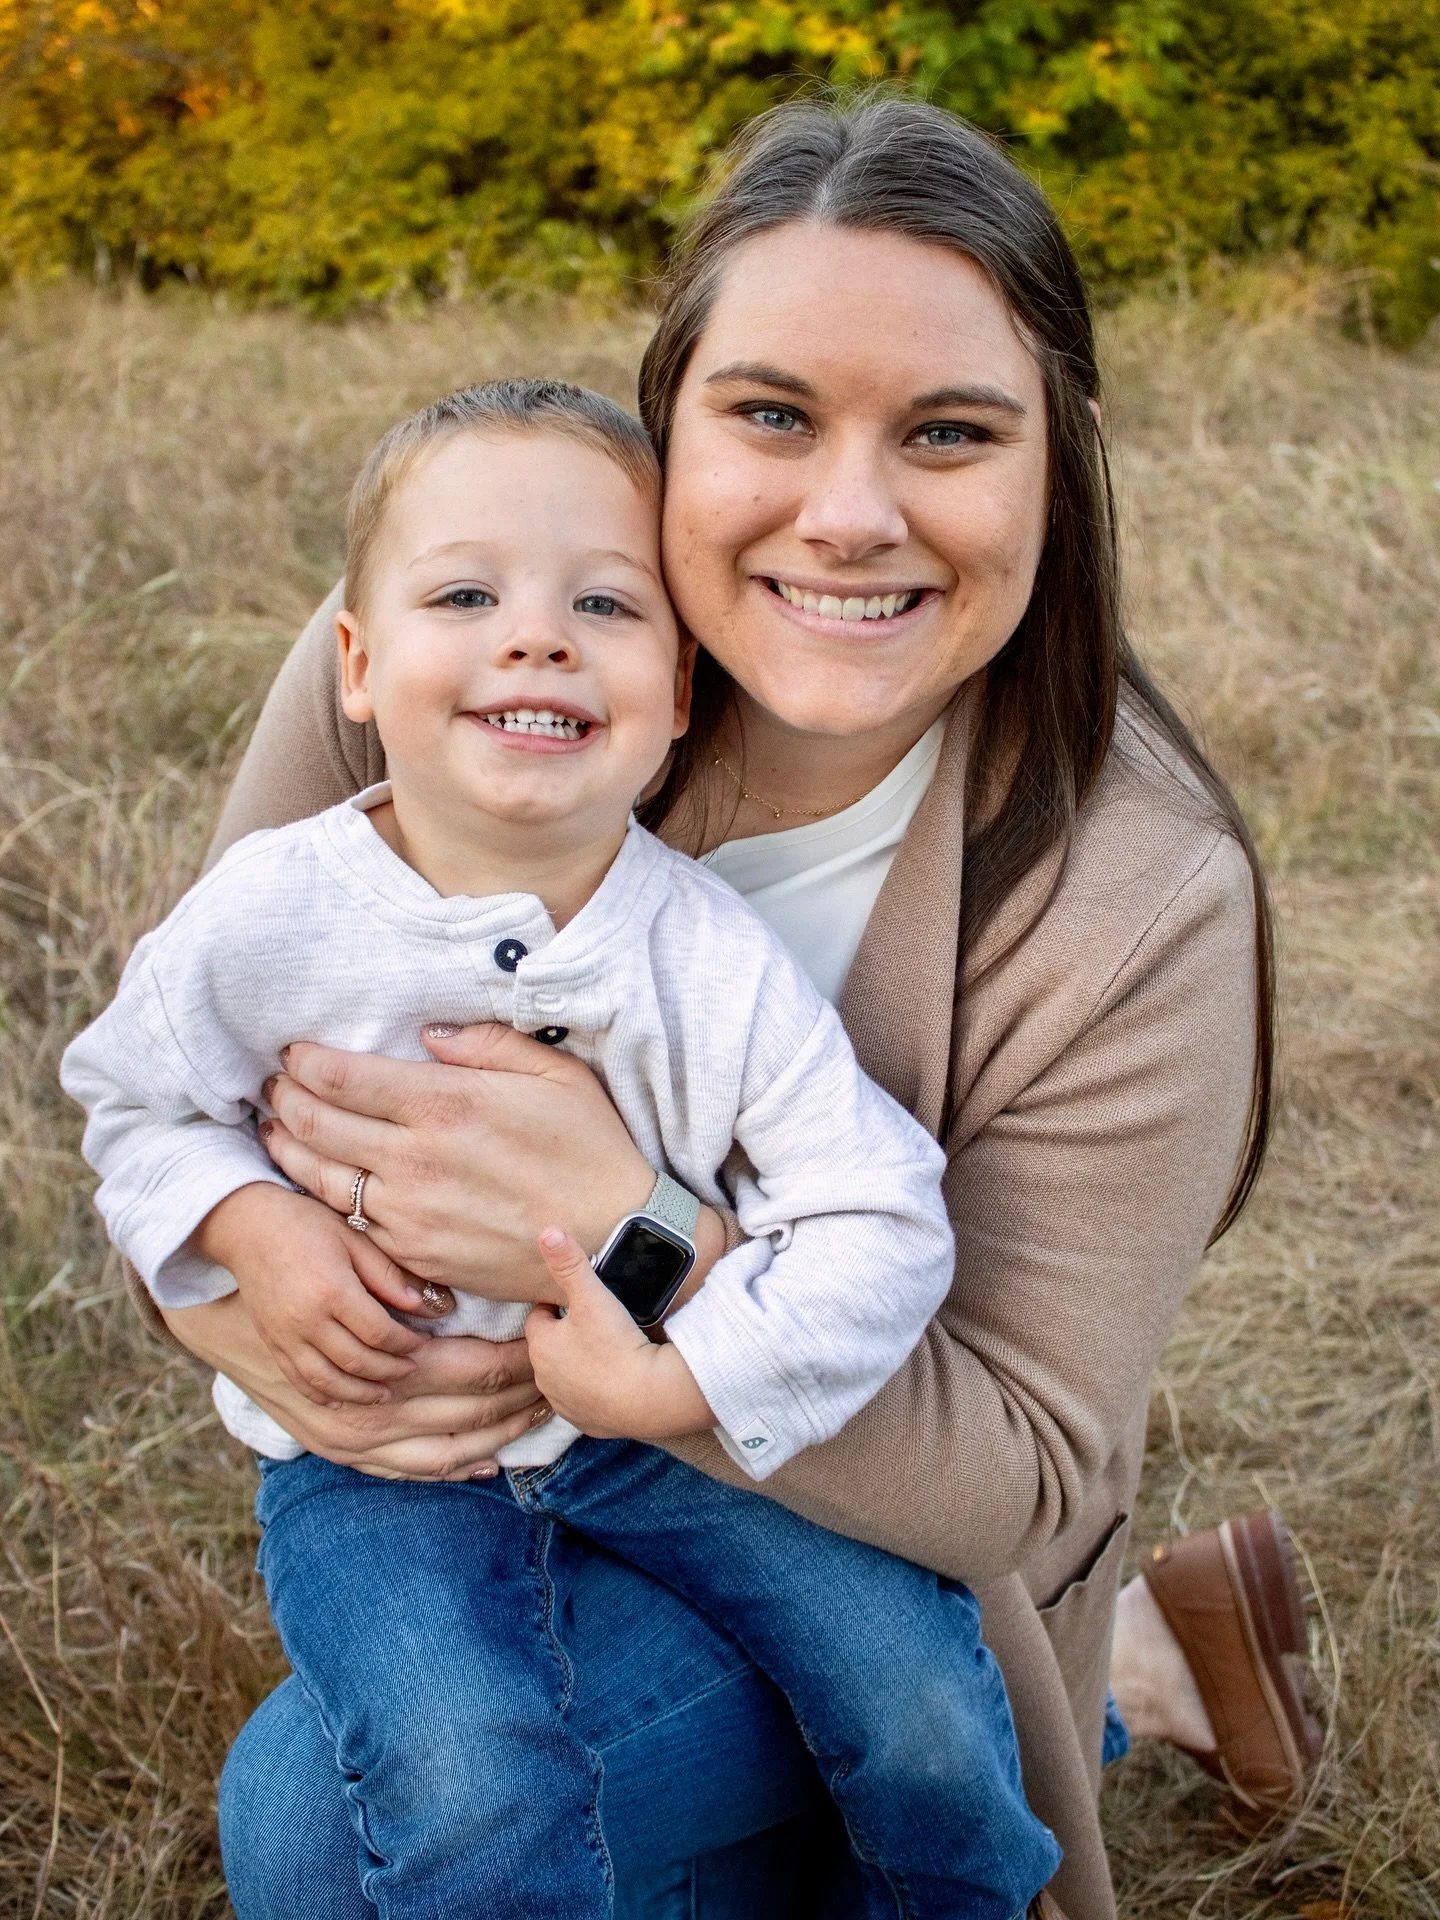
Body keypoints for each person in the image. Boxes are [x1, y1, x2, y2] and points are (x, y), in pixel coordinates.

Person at [123, 96, 1319, 1919]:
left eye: (949, 432)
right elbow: (185, 1097)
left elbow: (1011, 1471)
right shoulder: (438, 668)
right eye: (771, 414)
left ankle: (1104, 1684)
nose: (850, 514)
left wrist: (625, 1237)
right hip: (454, 1491)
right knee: (425, 1778)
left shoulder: (1140, 897)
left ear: (1056, 470)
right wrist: (245, 1287)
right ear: (661, 420)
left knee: (311, 1822)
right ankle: (1160, 1664)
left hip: (851, 1521)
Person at [64, 376, 1061, 1919]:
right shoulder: (269, 914)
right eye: (467, 594)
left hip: (662, 1432)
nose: (536, 635)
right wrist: (248, 1232)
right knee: (465, 1779)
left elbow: (884, 1216)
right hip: (380, 1470)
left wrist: (682, 1379)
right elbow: (133, 1098)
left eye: (604, 603)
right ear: (358, 663)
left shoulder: (703, 958)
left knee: (918, 1695)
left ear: (678, 697)